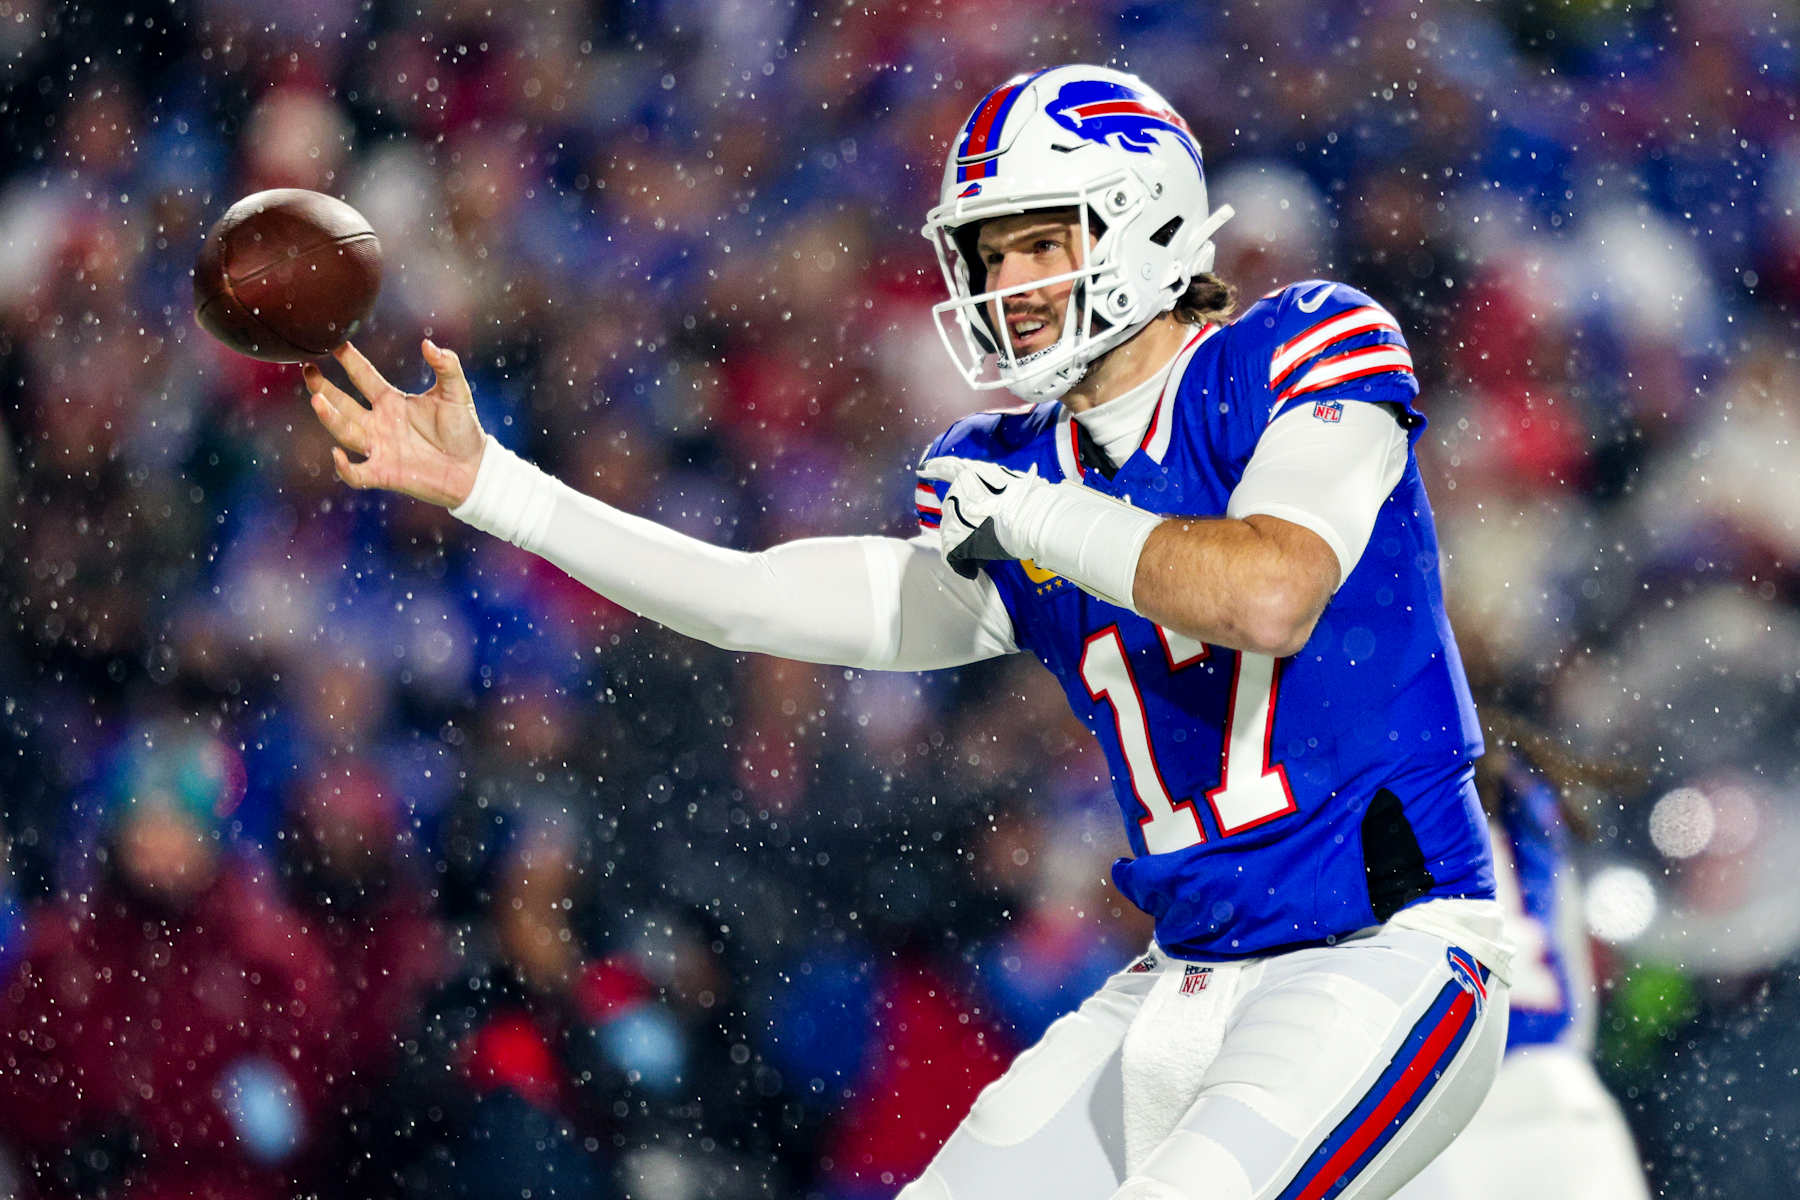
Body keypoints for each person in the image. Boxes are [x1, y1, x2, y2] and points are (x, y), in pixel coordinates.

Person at [302, 64, 1512, 1200]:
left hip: (1385, 955)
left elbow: (1270, 592)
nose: (1012, 284)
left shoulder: (1294, 349)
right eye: (991, 253)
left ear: (1146, 220)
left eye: (1044, 241)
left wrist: (1040, 517)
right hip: (1183, 974)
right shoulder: (1008, 472)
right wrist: (497, 490)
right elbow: (748, 599)